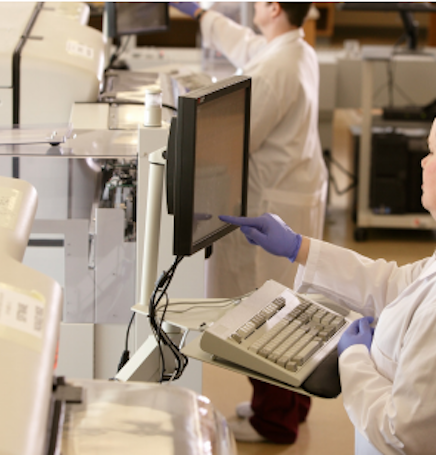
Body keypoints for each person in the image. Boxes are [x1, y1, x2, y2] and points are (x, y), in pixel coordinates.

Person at [221, 84, 436, 454]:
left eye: (431, 152)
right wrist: (297, 247)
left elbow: (405, 436)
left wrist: (354, 360)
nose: (423, 162)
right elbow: (401, 284)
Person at [171, 2, 327, 445]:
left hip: (271, 201)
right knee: (286, 307)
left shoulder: (279, 66)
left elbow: (235, 136)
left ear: (273, 7)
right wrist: (202, 15)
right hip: (291, 190)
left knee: (263, 311)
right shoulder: (295, 49)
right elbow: (247, 46)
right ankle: (288, 405)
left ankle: (273, 420)